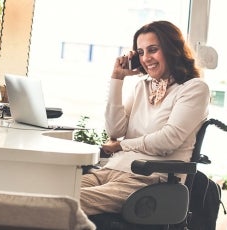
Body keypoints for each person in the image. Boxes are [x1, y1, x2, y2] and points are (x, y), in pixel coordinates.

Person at [80, 20, 210, 216]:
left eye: (153, 49)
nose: (146, 58)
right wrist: (117, 78)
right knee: (50, 190)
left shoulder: (193, 88)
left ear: (172, 49)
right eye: (141, 52)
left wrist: (122, 145)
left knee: (70, 200)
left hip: (147, 179)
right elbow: (115, 130)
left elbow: (168, 140)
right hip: (110, 169)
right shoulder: (142, 86)